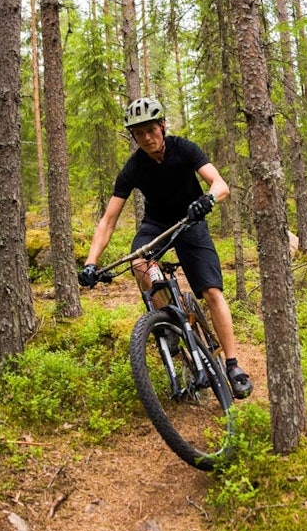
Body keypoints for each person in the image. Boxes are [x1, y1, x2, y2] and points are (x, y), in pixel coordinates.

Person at [77, 96, 252, 399]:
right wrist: (91, 263)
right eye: (138, 133)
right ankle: (168, 321)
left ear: (162, 126)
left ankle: (233, 364)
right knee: (140, 262)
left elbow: (220, 185)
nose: (146, 138)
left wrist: (206, 200)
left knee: (211, 291)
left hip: (191, 220)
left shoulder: (184, 149)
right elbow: (108, 220)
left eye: (150, 130)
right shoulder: (134, 168)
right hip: (156, 225)